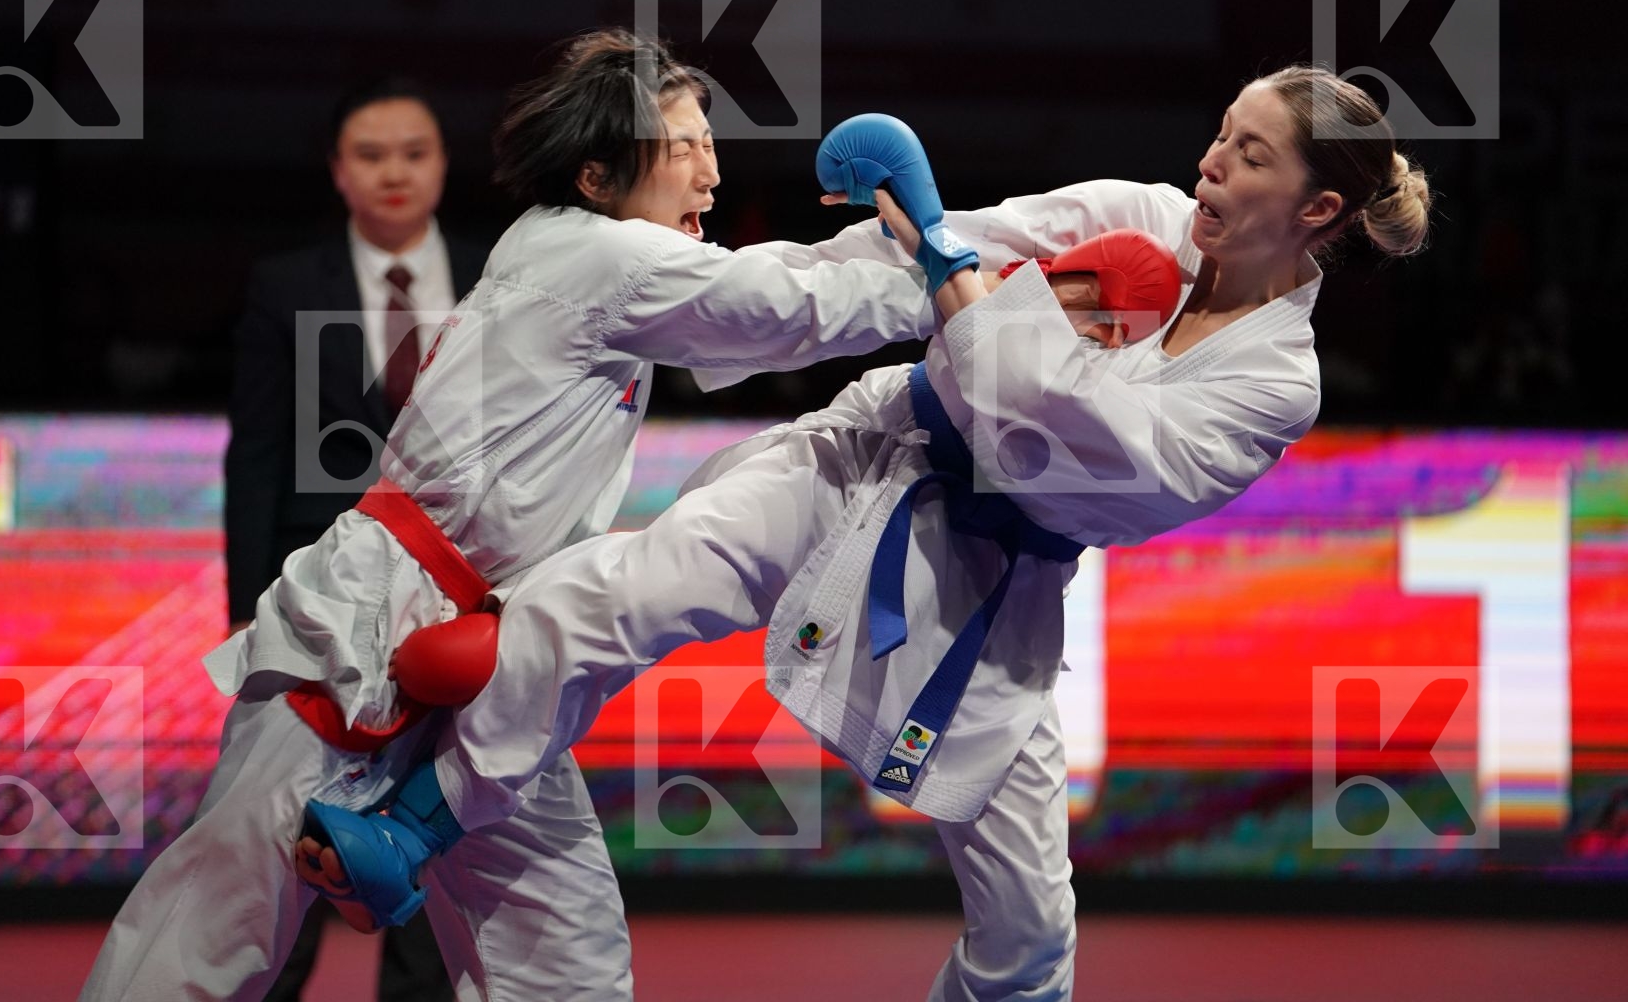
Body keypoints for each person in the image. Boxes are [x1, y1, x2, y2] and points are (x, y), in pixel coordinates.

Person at [300, 65, 1434, 1001]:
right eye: (1220, 134)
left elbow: (1089, 460)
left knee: (1029, 930)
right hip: (871, 452)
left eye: (1246, 153)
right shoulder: (1140, 216)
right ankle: (411, 821)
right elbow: (936, 248)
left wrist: (960, 285)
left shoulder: (1277, 382)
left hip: (994, 590)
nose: (1209, 163)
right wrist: (733, 294)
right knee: (637, 587)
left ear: (1318, 211)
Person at [77, 27, 941, 1002]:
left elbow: (772, 287)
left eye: (711, 142)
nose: (710, 167)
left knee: (564, 961)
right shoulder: (592, 257)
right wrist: (957, 274)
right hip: (366, 631)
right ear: (601, 169)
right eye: (684, 143)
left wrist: (935, 245)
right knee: (209, 935)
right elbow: (781, 303)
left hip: (490, 666)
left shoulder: (604, 260)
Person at [226, 75, 487, 1002]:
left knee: (433, 838)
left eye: (413, 153)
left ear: (443, 165)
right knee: (292, 843)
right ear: (339, 172)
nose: (394, 173)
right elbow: (255, 457)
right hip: (319, 606)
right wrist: (248, 625)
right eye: (371, 155)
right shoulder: (285, 285)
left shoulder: (501, 277)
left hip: (461, 610)